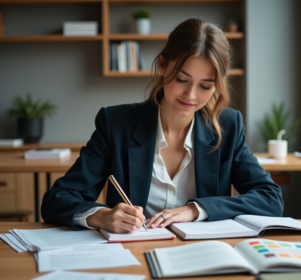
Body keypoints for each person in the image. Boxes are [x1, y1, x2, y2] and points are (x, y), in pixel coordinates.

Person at [41, 19, 283, 233]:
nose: (190, 95)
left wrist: (197, 210)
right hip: (132, 256)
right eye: (182, 79)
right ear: (162, 66)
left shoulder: (228, 126)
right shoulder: (116, 124)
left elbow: (270, 198)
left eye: (205, 86)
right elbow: (56, 200)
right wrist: (100, 216)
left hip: (203, 255)